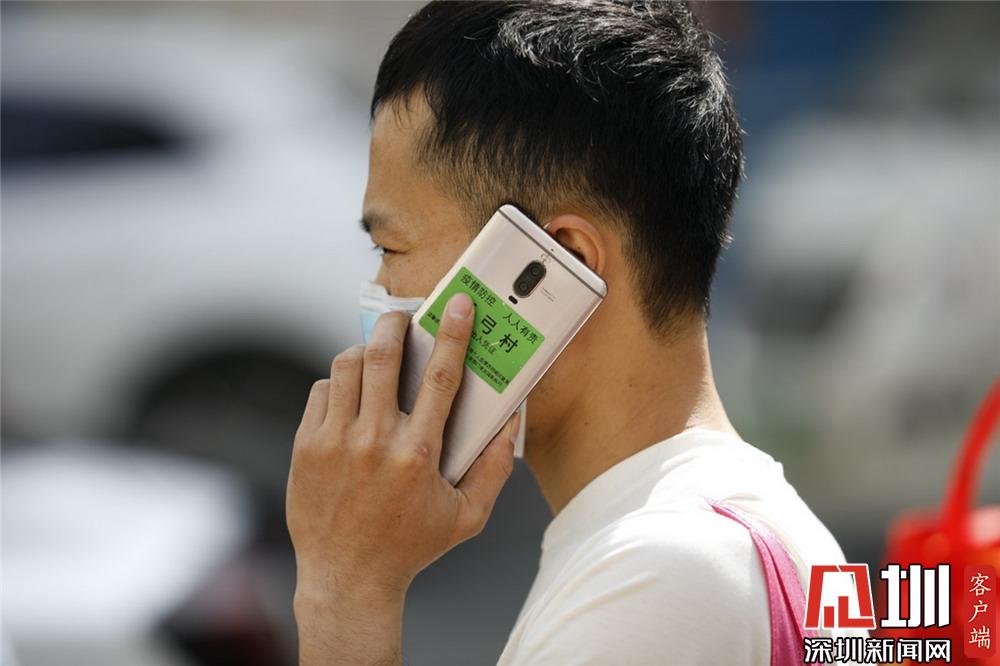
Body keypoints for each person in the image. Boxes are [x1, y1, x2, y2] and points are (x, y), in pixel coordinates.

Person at [286, 2, 865, 664]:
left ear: (562, 262)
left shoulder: (666, 574)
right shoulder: (706, 539)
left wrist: (345, 589)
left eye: (391, 247)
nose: (381, 293)